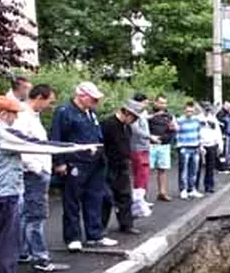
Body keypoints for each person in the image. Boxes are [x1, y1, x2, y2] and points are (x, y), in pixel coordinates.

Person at [0, 96, 99, 273]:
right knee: (6, 240)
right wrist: (78, 147)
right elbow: (37, 145)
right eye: (13, 115)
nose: (15, 119)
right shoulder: (2, 132)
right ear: (3, 113)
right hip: (5, 191)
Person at [50, 82, 117, 252]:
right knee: (72, 201)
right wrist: (59, 162)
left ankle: (95, 234)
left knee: (95, 198)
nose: (96, 102)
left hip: (95, 162)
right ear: (81, 96)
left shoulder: (90, 112)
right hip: (75, 162)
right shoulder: (64, 112)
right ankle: (72, 237)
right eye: (93, 99)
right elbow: (56, 136)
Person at [13, 84, 69, 273]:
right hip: (34, 174)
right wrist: (36, 168)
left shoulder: (31, 117)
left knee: (27, 215)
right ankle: (40, 258)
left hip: (37, 172)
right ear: (38, 98)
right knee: (36, 216)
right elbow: (21, 145)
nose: (49, 106)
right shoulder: (23, 117)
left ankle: (23, 252)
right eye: (49, 102)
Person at [101, 100, 144, 234]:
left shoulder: (127, 127)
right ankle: (101, 227)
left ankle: (126, 224)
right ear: (126, 112)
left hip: (123, 164)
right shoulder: (108, 124)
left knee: (125, 195)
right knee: (106, 198)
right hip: (109, 164)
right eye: (133, 117)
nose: (134, 120)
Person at [147, 95, 177, 202]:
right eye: (160, 102)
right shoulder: (148, 115)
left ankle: (162, 192)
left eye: (164, 103)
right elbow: (143, 129)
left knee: (162, 169)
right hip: (151, 144)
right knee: (147, 170)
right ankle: (143, 196)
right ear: (155, 102)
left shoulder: (169, 116)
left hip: (164, 145)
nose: (162, 105)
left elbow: (173, 130)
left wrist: (169, 134)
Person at [128, 92, 153, 218]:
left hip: (144, 146)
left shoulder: (143, 113)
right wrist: (150, 137)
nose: (146, 105)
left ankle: (141, 199)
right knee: (140, 174)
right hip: (137, 147)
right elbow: (135, 129)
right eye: (145, 102)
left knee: (144, 175)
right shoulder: (134, 114)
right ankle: (137, 201)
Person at [174, 102, 202, 198]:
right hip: (184, 147)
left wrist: (200, 146)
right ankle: (183, 189)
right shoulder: (179, 121)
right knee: (184, 170)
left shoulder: (196, 120)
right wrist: (179, 146)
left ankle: (192, 189)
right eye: (188, 111)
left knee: (194, 170)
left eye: (191, 111)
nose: (189, 113)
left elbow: (199, 133)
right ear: (184, 111)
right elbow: (176, 135)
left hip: (195, 147)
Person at [198, 103, 222, 194]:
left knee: (210, 167)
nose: (207, 111)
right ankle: (194, 187)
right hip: (202, 145)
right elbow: (197, 132)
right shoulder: (198, 119)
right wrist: (200, 145)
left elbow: (217, 132)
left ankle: (209, 186)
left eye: (208, 109)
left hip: (212, 145)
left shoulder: (213, 119)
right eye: (205, 109)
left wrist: (220, 144)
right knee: (198, 168)